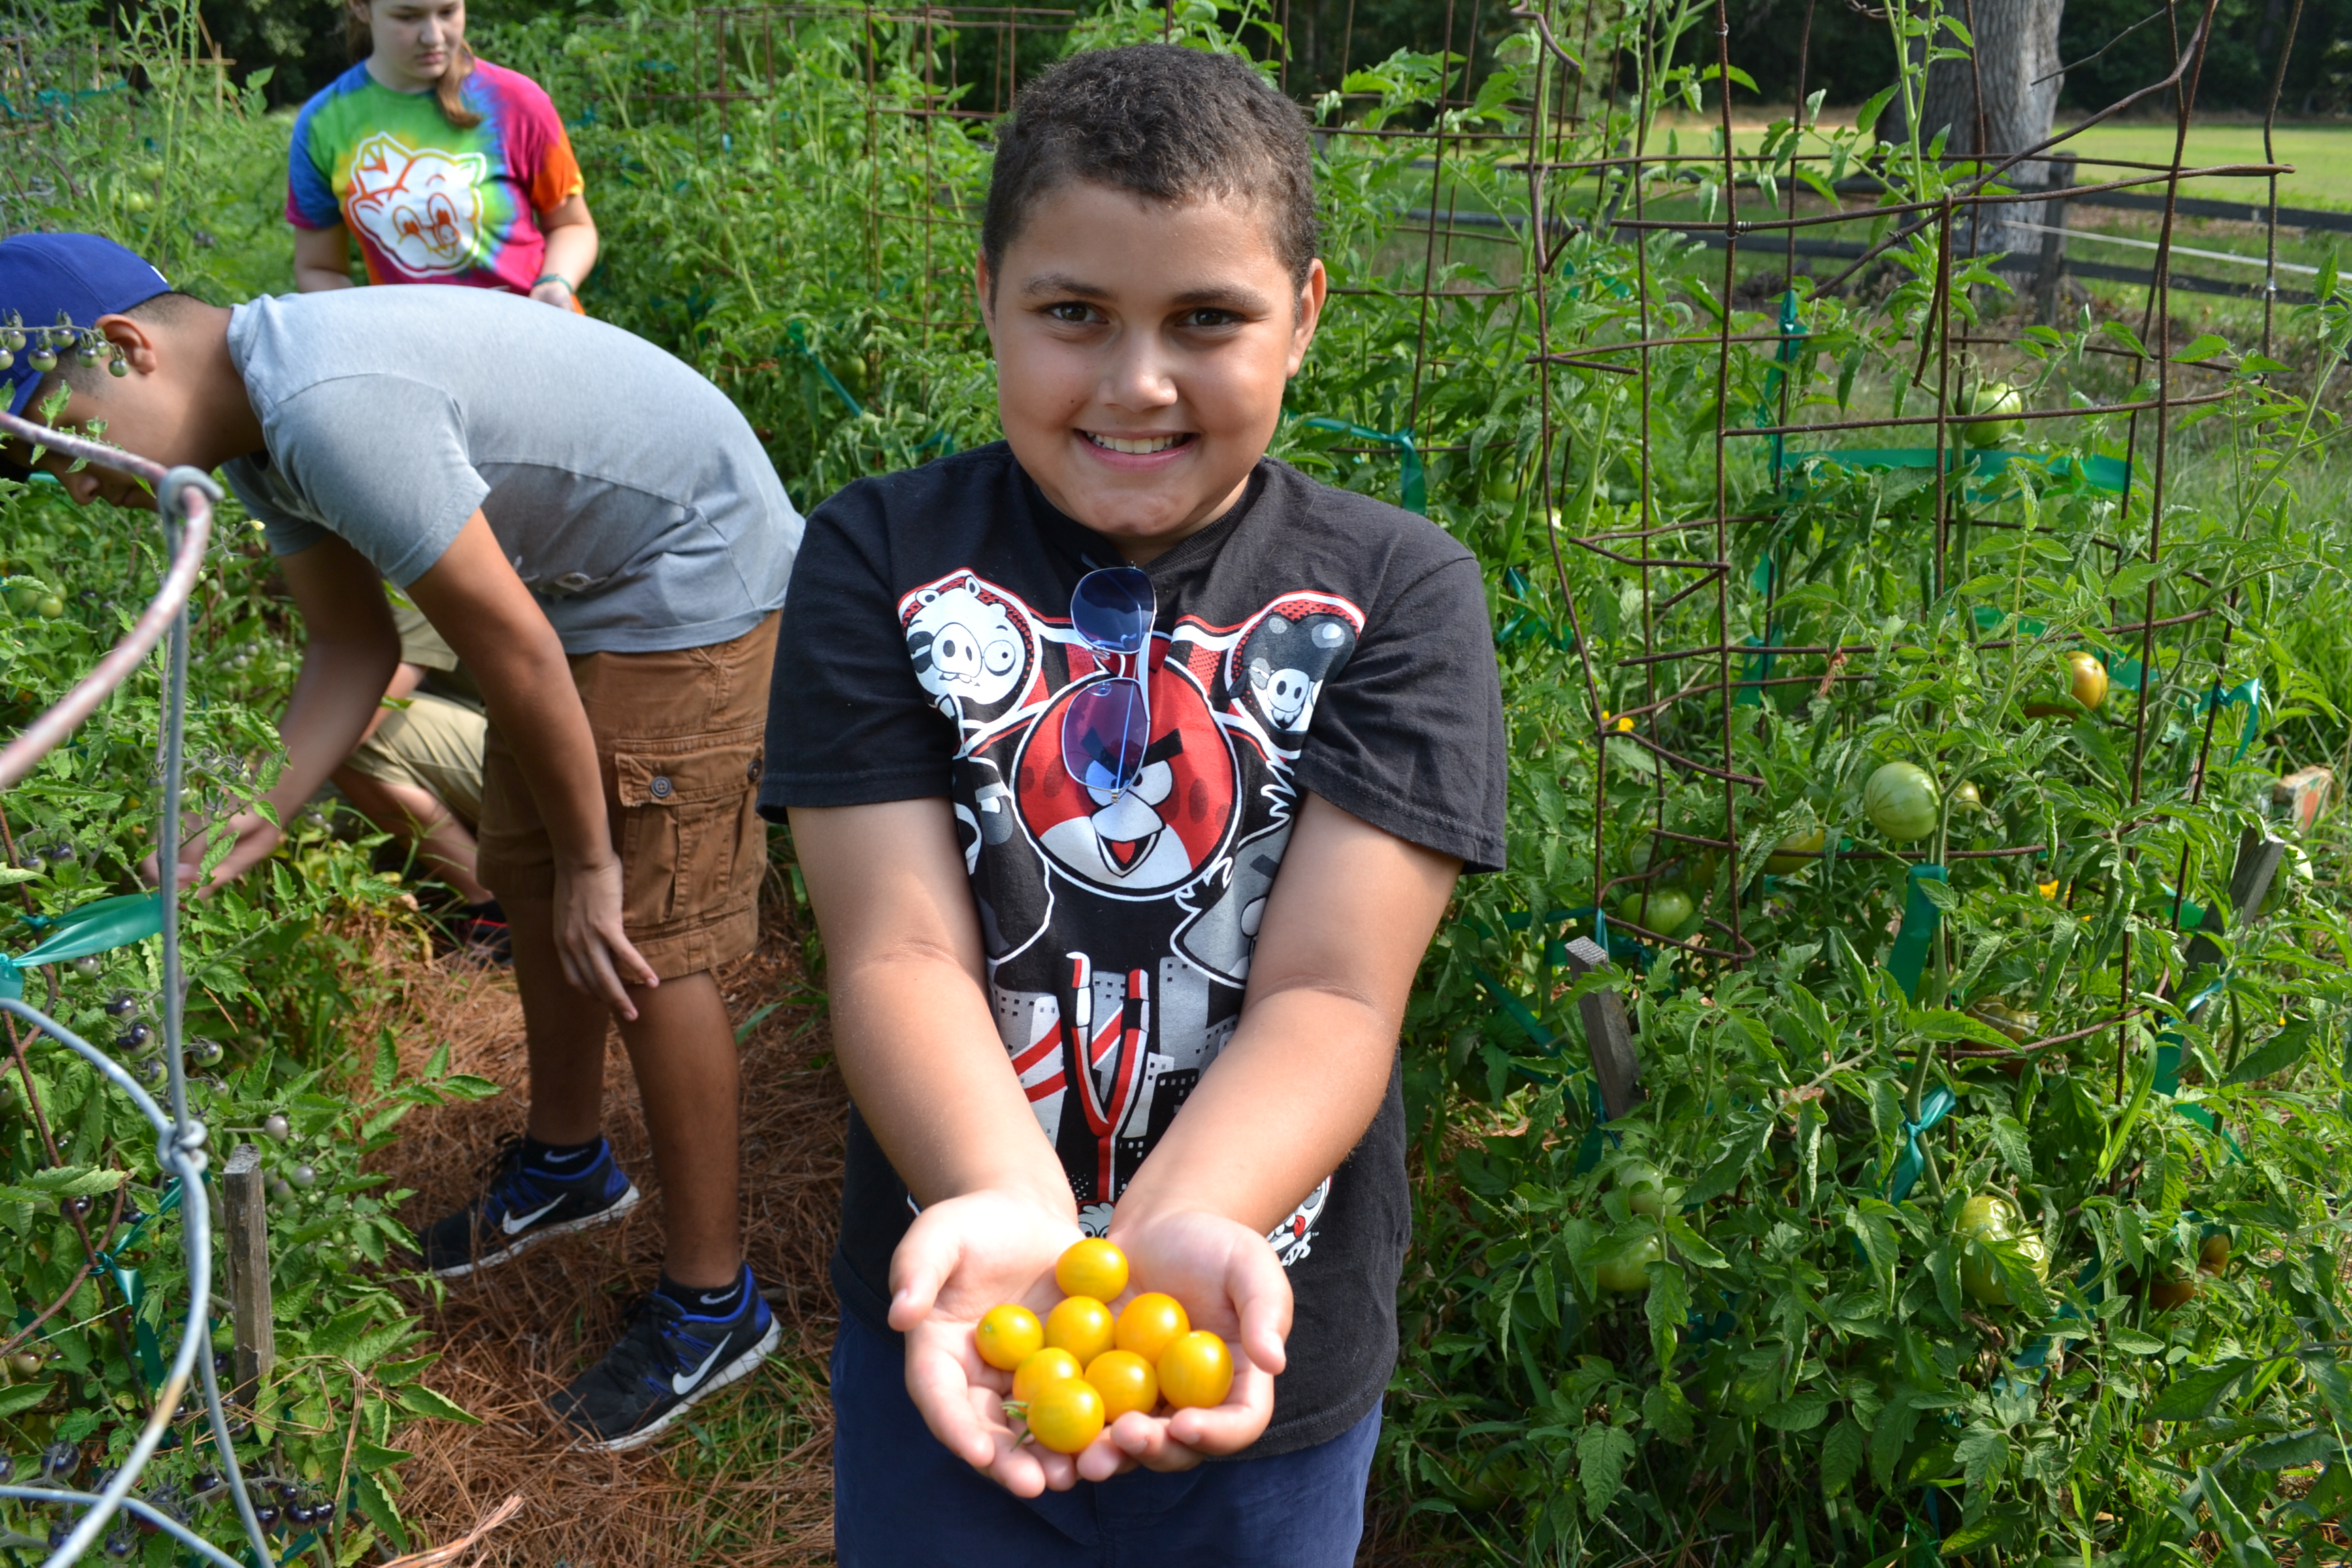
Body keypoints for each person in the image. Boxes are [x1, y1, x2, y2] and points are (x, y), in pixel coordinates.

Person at [761, 44, 1506, 1567]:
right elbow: (897, 955)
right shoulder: (875, 560)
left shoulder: (1396, 593)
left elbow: (1330, 988)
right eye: (1073, 315)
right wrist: (1012, 1219)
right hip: (963, 1306)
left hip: (1258, 1341)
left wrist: (1172, 1243)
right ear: (989, 297)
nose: (1137, 383)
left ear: (1302, 315)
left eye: (1208, 320)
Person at [0, 231, 801, 1452]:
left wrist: (601, 865)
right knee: (529, 881)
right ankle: (570, 1162)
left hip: (685, 569)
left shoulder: (323, 405)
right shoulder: (262, 432)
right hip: (582, 584)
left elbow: (513, 650)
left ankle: (714, 1300)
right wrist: (262, 806)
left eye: (58, 435)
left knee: (637, 924)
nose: (71, 480)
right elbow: (353, 648)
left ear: (124, 348)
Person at [288, 0, 598, 310]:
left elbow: (571, 226)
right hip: (411, 351)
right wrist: (370, 332)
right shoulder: (324, 123)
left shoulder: (517, 101)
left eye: (448, 12)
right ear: (359, 7)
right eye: (408, 17)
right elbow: (319, 268)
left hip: (536, 335)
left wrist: (555, 283)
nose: (434, 37)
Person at [335, 593, 509, 962]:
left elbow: (357, 718)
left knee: (349, 736)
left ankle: (497, 910)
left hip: (567, 767)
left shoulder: (411, 544)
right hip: (509, 740)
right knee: (322, 807)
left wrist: (245, 795)